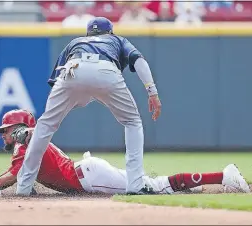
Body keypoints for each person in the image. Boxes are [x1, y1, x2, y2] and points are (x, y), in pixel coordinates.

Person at [16, 16, 162, 196]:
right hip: (106, 70)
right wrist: (152, 92)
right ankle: (135, 184)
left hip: (73, 69)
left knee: (45, 125)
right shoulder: (117, 40)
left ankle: (23, 186)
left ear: (88, 33)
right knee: (132, 122)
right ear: (110, 32)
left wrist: (57, 111)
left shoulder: (76, 42)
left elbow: (56, 83)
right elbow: (139, 60)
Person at [0, 109, 250, 195]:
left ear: (18, 129)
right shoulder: (30, 144)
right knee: (153, 185)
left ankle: (223, 176)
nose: (3, 135)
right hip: (87, 172)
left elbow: (12, 177)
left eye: (6, 130)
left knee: (153, 187)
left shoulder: (25, 144)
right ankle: (195, 186)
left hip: (86, 176)